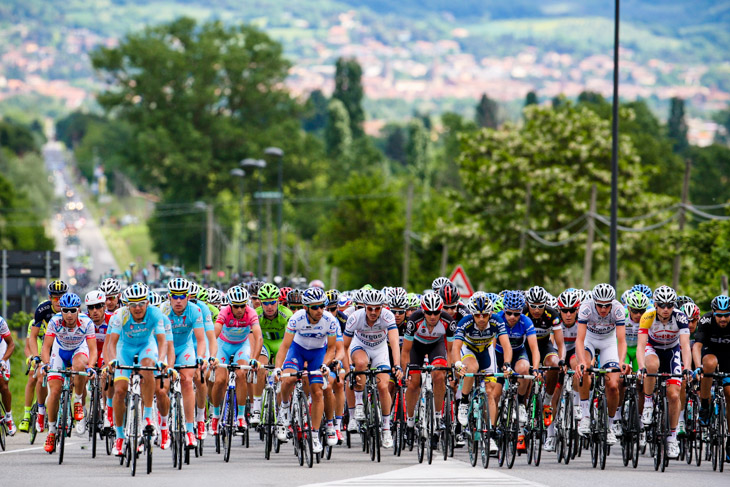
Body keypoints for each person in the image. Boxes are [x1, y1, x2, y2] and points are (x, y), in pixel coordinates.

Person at [106, 283, 167, 456]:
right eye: (133, 304)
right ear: (127, 305)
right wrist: (113, 361)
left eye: (141, 303)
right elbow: (112, 343)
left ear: (147, 303)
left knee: (148, 367)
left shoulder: (155, 313)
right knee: (119, 391)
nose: (137, 308)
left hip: (146, 346)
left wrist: (161, 360)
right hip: (125, 349)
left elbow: (162, 341)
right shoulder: (121, 315)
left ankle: (147, 415)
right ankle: (119, 437)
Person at [275, 287, 338, 454]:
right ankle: (284, 410)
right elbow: (285, 346)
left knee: (317, 392)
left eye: (322, 306)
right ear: (306, 308)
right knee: (288, 379)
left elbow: (331, 349)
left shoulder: (330, 320)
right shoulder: (296, 319)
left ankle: (315, 434)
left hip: (318, 354)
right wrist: (277, 368)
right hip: (298, 350)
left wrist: (325, 364)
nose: (320, 310)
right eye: (315, 307)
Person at [636, 285, 691, 459]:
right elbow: (641, 345)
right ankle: (648, 402)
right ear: (656, 305)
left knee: (674, 395)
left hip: (672, 351)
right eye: (662, 305)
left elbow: (685, 347)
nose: (666, 309)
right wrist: (641, 367)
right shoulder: (648, 316)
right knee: (651, 365)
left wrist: (687, 368)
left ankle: (672, 437)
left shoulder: (680, 317)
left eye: (669, 305)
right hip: (653, 348)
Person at [452, 292, 511, 454]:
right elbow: (455, 348)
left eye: (485, 315)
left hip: (486, 351)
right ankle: (464, 402)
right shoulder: (465, 322)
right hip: (469, 350)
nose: (481, 319)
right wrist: (458, 364)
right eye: (477, 315)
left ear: (490, 313)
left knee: (491, 393)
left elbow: (506, 346)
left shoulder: (496, 321)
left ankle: (490, 435)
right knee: (472, 367)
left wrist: (506, 364)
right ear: (472, 314)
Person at [343, 288, 403, 449]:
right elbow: (345, 346)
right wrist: (348, 366)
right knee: (361, 364)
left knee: (383, 386)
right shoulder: (355, 318)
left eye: (377, 308)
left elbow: (394, 343)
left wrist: (397, 365)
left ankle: (386, 428)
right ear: (364, 307)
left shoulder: (388, 316)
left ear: (382, 307)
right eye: (370, 308)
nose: (374, 312)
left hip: (380, 350)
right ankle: (359, 406)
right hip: (359, 346)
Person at [41, 293, 97, 453]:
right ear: (62, 311)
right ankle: (51, 432)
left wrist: (91, 366)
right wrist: (45, 364)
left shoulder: (87, 322)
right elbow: (46, 347)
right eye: (66, 311)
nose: (69, 315)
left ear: (78, 310)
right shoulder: (54, 321)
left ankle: (78, 400)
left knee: (80, 365)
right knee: (55, 391)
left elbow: (92, 349)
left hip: (79, 349)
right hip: (59, 351)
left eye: (73, 310)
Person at [575, 283, 628, 446]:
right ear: (594, 301)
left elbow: (621, 340)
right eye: (600, 305)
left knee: (613, 384)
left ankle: (610, 426)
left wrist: (621, 361)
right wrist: (582, 362)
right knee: (584, 371)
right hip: (589, 340)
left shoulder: (618, 309)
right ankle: (585, 416)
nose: (603, 309)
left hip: (609, 342)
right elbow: (580, 339)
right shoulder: (586, 308)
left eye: (607, 306)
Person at [401, 292, 456, 449]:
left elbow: (450, 351)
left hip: (435, 346)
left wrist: (450, 372)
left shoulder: (448, 321)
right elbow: (405, 351)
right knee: (413, 383)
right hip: (416, 348)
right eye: (429, 312)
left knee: (439, 375)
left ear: (441, 310)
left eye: (436, 312)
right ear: (423, 311)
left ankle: (437, 418)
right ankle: (410, 423)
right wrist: (406, 373)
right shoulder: (413, 321)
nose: (433, 316)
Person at [160, 277, 207, 447]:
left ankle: (189, 430)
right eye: (175, 296)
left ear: (188, 297)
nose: (178, 300)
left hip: (185, 347)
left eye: (182, 296)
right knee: (163, 385)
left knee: (187, 381)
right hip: (165, 347)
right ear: (169, 297)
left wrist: (200, 357)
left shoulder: (195, 311)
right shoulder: (163, 310)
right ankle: (164, 425)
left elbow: (201, 340)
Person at [211, 286, 262, 434]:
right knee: (220, 380)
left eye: (242, 305)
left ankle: (240, 416)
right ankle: (215, 416)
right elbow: (215, 333)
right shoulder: (224, 312)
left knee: (241, 374)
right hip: (223, 346)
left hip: (241, 346)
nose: (239, 309)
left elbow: (258, 337)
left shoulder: (251, 313)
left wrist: (254, 359)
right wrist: (212, 356)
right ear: (230, 305)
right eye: (236, 306)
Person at [20, 279, 67, 433]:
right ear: (49, 297)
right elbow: (33, 337)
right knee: (40, 375)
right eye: (55, 297)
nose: (58, 301)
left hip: (65, 344)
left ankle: (66, 409)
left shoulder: (72, 308)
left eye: (61, 297)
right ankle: (40, 411)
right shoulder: (42, 309)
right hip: (47, 344)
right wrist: (35, 357)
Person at [693, 294, 730, 458]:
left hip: (729, 356)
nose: (723, 318)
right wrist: (698, 367)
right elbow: (697, 346)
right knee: (709, 363)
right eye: (719, 315)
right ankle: (705, 404)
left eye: (726, 315)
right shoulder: (706, 321)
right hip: (710, 353)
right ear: (713, 313)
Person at [252, 283, 292, 423]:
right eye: (266, 303)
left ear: (278, 302)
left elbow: (289, 341)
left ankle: (282, 412)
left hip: (282, 342)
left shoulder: (286, 314)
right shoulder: (256, 314)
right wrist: (254, 358)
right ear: (261, 303)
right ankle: (256, 408)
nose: (269, 306)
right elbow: (255, 338)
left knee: (281, 375)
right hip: (265, 343)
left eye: (272, 303)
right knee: (261, 367)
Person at [0, 314, 16, 435]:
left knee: (3, 386)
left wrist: (3, 360)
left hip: (1, 351)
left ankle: (9, 416)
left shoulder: (0, 322)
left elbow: (11, 344)